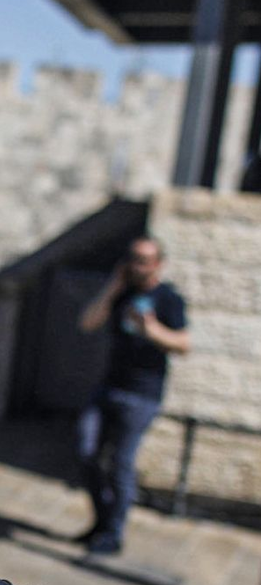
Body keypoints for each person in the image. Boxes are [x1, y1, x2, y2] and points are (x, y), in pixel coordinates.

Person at [76, 236, 190, 554]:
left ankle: (113, 534)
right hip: (109, 387)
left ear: (157, 264)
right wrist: (112, 287)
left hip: (143, 395)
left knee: (121, 463)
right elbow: (87, 322)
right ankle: (101, 521)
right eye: (132, 258)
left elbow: (183, 344)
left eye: (143, 259)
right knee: (86, 452)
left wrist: (151, 329)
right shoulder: (121, 293)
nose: (136, 265)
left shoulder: (168, 299)